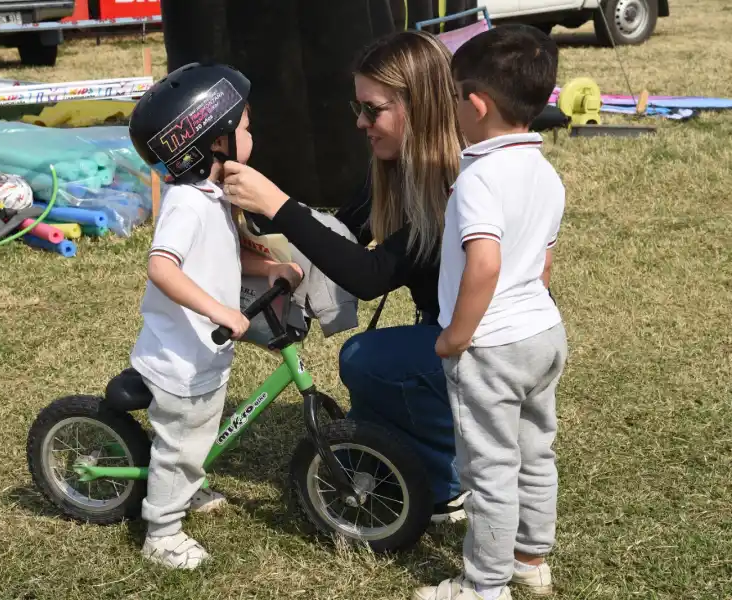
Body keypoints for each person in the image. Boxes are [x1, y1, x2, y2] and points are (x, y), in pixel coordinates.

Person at [220, 30, 468, 521]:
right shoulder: (399, 168)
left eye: (373, 109)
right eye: (358, 108)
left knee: (365, 358)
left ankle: (448, 482)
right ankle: (403, 451)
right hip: (445, 331)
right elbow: (344, 230)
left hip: (479, 344)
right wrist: (259, 234)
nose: (360, 122)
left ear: (418, 106)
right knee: (376, 376)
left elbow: (370, 275)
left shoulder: (453, 186)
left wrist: (278, 204)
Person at [127, 62, 303, 570]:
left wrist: (270, 268)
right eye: (244, 126)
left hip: (206, 351)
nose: (252, 132)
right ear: (215, 141)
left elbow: (221, 255)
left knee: (199, 436)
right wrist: (219, 309)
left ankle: (187, 489)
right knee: (180, 445)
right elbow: (163, 267)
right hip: (180, 360)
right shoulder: (185, 203)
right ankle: (161, 531)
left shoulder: (210, 196)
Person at [413, 25, 567, 600]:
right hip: (543, 333)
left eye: (454, 98)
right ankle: (530, 558)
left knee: (490, 471)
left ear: (475, 105)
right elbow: (543, 264)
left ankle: (484, 586)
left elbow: (484, 265)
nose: (451, 109)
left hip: (493, 346)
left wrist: (456, 335)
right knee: (535, 451)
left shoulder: (478, 178)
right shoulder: (547, 176)